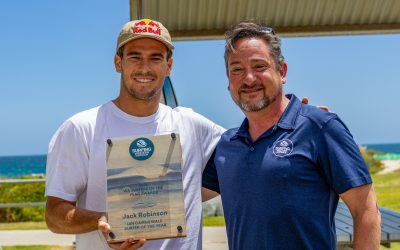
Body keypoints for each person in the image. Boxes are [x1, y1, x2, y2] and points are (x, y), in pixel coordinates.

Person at [45, 18, 225, 250]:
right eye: (135, 57)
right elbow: (54, 215)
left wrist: (183, 199)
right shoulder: (81, 128)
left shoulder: (193, 125)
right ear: (118, 63)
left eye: (155, 58)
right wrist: (102, 221)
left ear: (169, 66)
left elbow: (244, 156)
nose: (144, 68)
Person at [202, 21, 381, 250]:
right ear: (228, 81)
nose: (248, 78)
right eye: (236, 69)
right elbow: (184, 195)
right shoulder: (227, 145)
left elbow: (365, 209)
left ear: (282, 71)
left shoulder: (320, 127)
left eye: (259, 66)